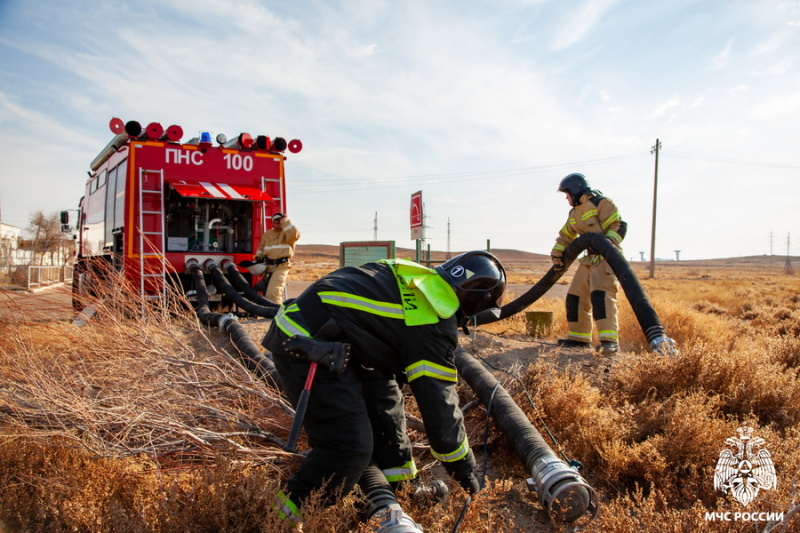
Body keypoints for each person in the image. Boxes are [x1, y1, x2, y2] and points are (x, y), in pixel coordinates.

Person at [262, 251, 506, 528]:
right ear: (477, 301)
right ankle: (280, 518)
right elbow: (440, 407)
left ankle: (399, 493)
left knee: (388, 411)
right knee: (349, 448)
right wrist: (464, 470)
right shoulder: (431, 322)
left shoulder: (416, 275)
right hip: (307, 345)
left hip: (349, 346)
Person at [550, 173, 626, 355]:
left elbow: (619, 226)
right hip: (588, 260)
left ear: (575, 190)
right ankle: (579, 339)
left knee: (601, 297)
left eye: (567, 194)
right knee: (575, 298)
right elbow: (566, 235)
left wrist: (607, 245)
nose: (567, 198)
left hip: (606, 259)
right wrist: (557, 254)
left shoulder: (601, 203)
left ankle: (609, 342)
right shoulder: (575, 212)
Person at [253, 212, 300, 304]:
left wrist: (285, 221)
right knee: (266, 291)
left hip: (281, 266)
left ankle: (274, 313)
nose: (276, 224)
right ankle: (267, 314)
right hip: (268, 266)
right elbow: (261, 247)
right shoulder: (268, 234)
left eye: (279, 222)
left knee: (274, 291)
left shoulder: (287, 234)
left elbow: (295, 235)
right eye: (274, 222)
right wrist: (259, 256)